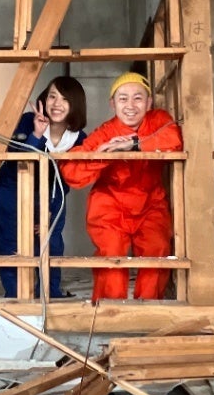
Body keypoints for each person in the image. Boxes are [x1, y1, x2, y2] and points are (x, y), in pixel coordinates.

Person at [60, 72, 183, 302]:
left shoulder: (159, 120)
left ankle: (148, 310)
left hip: (151, 204)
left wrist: (135, 145)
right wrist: (103, 154)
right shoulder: (105, 133)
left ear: (149, 102)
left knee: (156, 251)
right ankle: (110, 310)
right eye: (123, 99)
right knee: (111, 255)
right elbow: (71, 172)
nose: (130, 106)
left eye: (138, 98)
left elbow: (174, 140)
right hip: (110, 206)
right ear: (112, 104)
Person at [0, 76, 87, 299]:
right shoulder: (28, 121)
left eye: (65, 99)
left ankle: (49, 292)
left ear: (75, 104)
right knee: (13, 241)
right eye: (52, 96)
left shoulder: (79, 138)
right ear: (44, 99)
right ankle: (15, 295)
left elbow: (67, 180)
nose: (57, 104)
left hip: (53, 196)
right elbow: (14, 159)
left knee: (51, 241)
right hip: (14, 190)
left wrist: (51, 210)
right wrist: (36, 134)